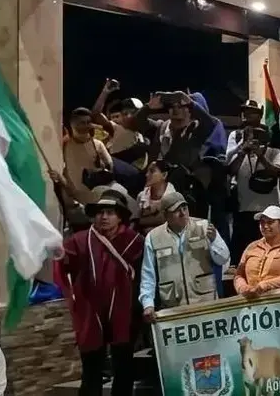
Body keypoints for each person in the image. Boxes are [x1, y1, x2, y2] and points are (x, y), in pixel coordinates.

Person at [54, 191, 144, 396]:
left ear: (120, 216)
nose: (104, 217)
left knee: (124, 367)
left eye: (110, 212)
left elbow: (144, 276)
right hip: (90, 313)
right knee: (91, 370)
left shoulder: (135, 241)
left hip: (124, 312)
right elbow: (63, 262)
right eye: (100, 212)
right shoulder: (80, 241)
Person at [139, 192, 229, 321]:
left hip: (206, 304)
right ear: (165, 215)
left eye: (184, 208)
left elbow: (223, 259)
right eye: (176, 211)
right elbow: (148, 275)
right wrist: (148, 304)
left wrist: (214, 240)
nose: (183, 213)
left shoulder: (204, 227)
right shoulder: (153, 237)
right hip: (173, 308)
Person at [227, 108, 280, 260]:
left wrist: (262, 157)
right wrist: (242, 152)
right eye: (252, 136)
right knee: (244, 254)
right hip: (244, 211)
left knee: (270, 252)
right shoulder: (242, 155)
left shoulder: (274, 152)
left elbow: (277, 172)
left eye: (258, 136)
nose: (255, 140)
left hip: (269, 211)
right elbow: (230, 171)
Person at [234, 205, 280, 298]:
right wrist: (243, 288)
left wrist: (265, 285)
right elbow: (238, 275)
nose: (265, 226)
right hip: (250, 303)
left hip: (278, 303)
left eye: (270, 222)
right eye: (262, 222)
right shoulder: (252, 247)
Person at [136, 160, 178, 234]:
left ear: (164, 175)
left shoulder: (175, 199)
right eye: (147, 171)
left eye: (152, 171)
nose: (146, 175)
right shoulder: (141, 196)